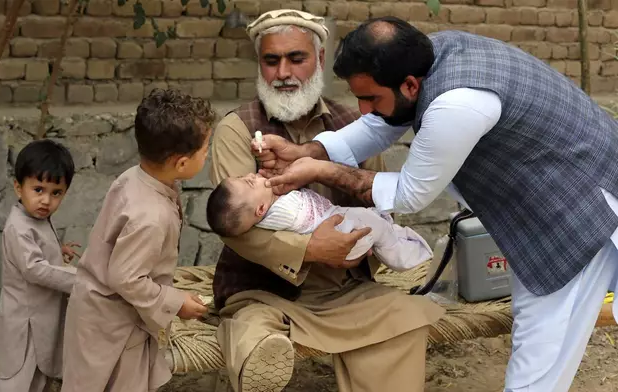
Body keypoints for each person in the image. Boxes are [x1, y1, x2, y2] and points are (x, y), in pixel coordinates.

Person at [257, 16, 618, 392]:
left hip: (577, 213)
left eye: (370, 97)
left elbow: (410, 194)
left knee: (543, 347)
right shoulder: (427, 57)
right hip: (548, 203)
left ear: (411, 85)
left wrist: (320, 170)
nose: (363, 109)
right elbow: (382, 121)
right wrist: (307, 151)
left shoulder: (455, 105)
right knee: (539, 338)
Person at [209, 9, 444, 392]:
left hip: (344, 287)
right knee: (253, 328)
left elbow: (378, 203)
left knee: (402, 318)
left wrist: (359, 241)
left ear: (319, 60)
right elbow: (234, 229)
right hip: (265, 287)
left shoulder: (358, 123)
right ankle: (259, 355)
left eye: (296, 58)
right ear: (260, 65)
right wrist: (311, 248)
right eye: (271, 61)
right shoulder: (237, 129)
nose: (283, 72)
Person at [61, 89, 213, 392]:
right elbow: (125, 277)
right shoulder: (151, 215)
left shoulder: (135, 176)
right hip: (112, 323)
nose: (208, 154)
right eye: (205, 149)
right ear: (181, 163)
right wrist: (175, 301)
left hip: (104, 312)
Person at [205, 172, 433, 272]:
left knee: (374, 221)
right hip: (342, 236)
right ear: (262, 209)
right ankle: (408, 257)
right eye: (250, 182)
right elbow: (304, 219)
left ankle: (395, 239)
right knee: (374, 225)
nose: (253, 175)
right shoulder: (282, 211)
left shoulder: (267, 206)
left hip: (342, 225)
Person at [0, 139, 79, 392]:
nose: (46, 201)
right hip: (26, 320)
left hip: (41, 315)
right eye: (39, 190)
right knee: (21, 376)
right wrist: (81, 278)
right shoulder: (18, 227)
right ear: (18, 188)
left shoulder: (38, 219)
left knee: (41, 374)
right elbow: (34, 268)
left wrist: (58, 250)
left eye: (56, 193)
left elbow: (41, 250)